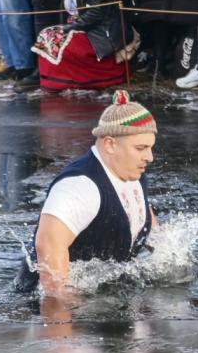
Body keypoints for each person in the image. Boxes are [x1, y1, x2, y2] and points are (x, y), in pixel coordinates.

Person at [15, 90, 158, 311]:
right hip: (45, 305)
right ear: (110, 144)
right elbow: (48, 247)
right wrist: (61, 327)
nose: (150, 157)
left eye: (150, 147)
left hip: (104, 295)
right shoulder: (79, 186)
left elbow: (144, 215)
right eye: (141, 148)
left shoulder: (131, 169)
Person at [32, 0, 137, 91]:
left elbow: (96, 13)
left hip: (101, 32)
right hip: (81, 27)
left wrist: (69, 28)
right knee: (47, 35)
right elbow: (51, 1)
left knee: (62, 42)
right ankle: (58, 81)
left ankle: (80, 80)